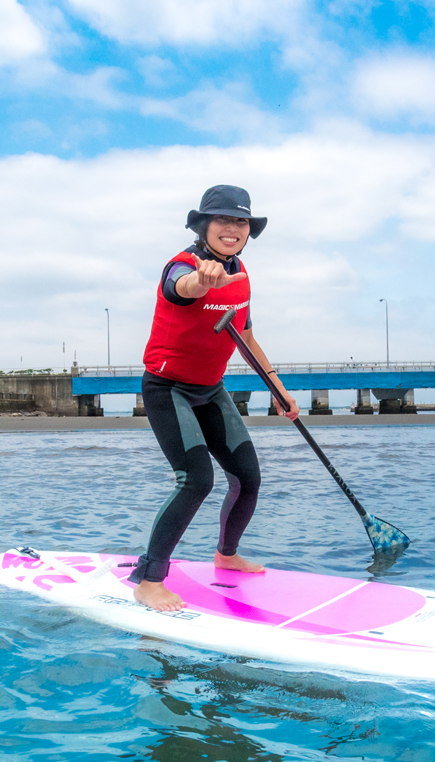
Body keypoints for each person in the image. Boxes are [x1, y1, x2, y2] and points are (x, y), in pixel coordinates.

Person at [130, 184, 299, 612]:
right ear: (203, 225)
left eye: (241, 221)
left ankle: (226, 554)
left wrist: (279, 390)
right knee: (197, 480)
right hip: (168, 389)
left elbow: (245, 335)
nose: (233, 228)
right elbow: (179, 287)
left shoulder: (240, 272)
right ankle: (149, 579)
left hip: (210, 390)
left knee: (248, 477)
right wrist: (200, 282)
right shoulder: (182, 265)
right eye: (223, 220)